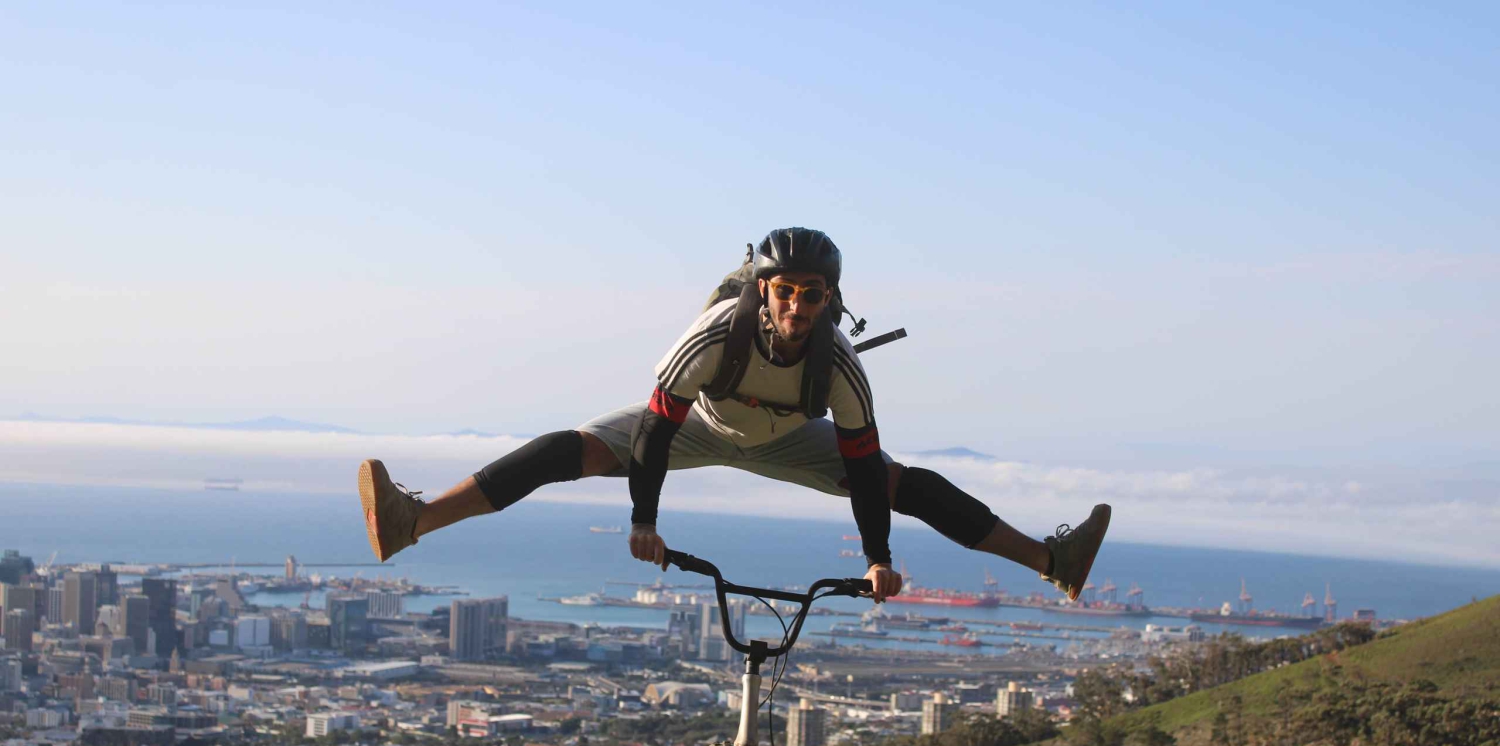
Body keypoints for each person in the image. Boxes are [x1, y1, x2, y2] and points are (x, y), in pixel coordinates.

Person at [357, 227, 1110, 602]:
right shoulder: (716, 332)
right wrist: (643, 519)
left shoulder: (839, 363)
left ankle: (1054, 562)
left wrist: (877, 556)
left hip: (792, 437)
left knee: (910, 482)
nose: (795, 306)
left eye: (812, 294)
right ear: (761, 288)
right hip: (698, 423)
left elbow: (860, 462)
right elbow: (655, 428)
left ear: (830, 299)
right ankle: (411, 521)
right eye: (783, 290)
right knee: (566, 449)